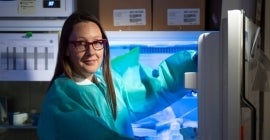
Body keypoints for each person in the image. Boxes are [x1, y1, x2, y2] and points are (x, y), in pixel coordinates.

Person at [37, 10, 197, 140]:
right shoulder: (62, 100)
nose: (91, 51)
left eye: (97, 43)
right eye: (81, 44)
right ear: (66, 49)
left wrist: (197, 62)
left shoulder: (106, 82)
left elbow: (155, 86)